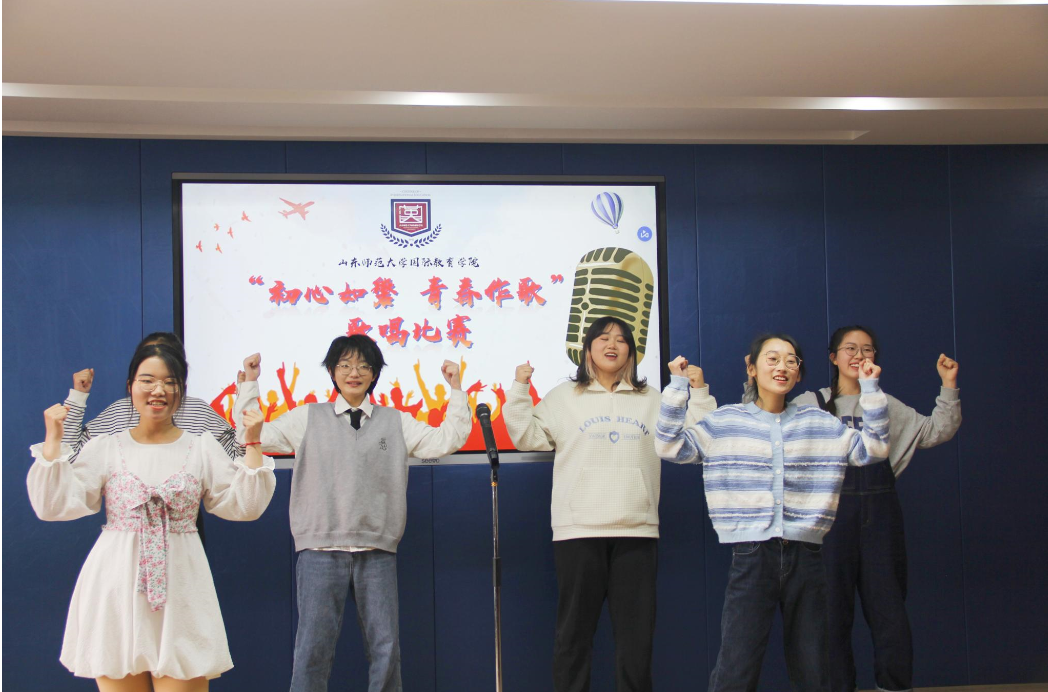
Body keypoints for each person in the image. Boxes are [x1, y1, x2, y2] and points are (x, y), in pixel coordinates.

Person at [27, 342, 276, 691]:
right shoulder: (106, 447)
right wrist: (53, 441)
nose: (158, 390)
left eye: (169, 381)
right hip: (115, 587)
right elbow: (53, 505)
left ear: (181, 390)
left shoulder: (202, 446)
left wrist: (253, 443)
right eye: (147, 380)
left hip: (183, 590)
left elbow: (245, 507)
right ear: (131, 386)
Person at [233, 335, 471, 692]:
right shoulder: (308, 417)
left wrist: (456, 390)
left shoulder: (395, 421)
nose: (354, 373)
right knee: (312, 649)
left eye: (363, 366)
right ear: (332, 371)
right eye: (344, 365)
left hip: (377, 549)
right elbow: (251, 434)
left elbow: (445, 440)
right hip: (319, 549)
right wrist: (250, 384)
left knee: (386, 648)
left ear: (374, 374)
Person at [655, 333, 891, 692]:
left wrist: (870, 388)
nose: (783, 366)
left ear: (799, 374)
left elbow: (874, 448)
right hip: (751, 554)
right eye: (772, 358)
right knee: (737, 665)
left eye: (791, 361)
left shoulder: (818, 421)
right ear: (751, 368)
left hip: (807, 555)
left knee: (814, 667)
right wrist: (676, 387)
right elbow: (669, 445)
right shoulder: (725, 420)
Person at [503, 316, 717, 692]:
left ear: (632, 353)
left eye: (621, 339)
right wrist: (520, 390)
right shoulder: (563, 397)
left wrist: (698, 393)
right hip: (577, 531)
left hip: (637, 532)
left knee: (636, 645)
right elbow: (525, 437)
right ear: (588, 350)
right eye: (603, 338)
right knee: (573, 639)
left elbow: (700, 439)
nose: (612, 345)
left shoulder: (653, 399)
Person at [792, 326, 960, 692]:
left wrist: (948, 385)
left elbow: (936, 430)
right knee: (830, 616)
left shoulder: (885, 404)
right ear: (833, 357)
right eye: (850, 348)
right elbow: (767, 425)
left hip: (880, 519)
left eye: (867, 350)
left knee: (890, 614)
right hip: (828, 522)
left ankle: (894, 686)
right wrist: (752, 382)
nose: (859, 355)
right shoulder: (810, 404)